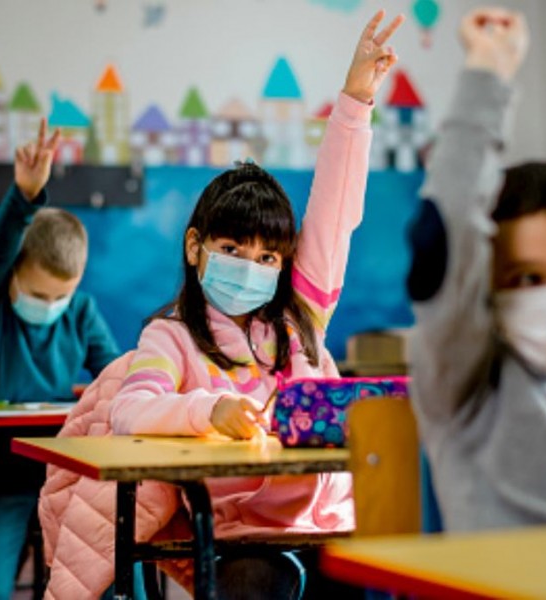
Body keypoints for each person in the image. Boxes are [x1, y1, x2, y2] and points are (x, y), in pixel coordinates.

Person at [41, 9, 404, 599]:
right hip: (244, 538)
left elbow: (336, 212)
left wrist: (356, 99)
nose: (251, 267)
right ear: (195, 247)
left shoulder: (299, 319)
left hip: (330, 523)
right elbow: (133, 410)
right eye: (233, 248)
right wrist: (207, 412)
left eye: (267, 257)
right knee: (256, 581)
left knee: (379, 573)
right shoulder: (173, 337)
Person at [407, 6, 546, 532]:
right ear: (483, 285)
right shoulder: (466, 387)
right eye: (529, 278)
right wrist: (488, 73)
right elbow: (450, 227)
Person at [0, 120, 121, 599]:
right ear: (13, 275)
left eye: (60, 295)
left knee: (93, 582)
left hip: (63, 476)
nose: (49, 305)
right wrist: (25, 196)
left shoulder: (82, 311)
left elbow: (113, 374)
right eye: (37, 292)